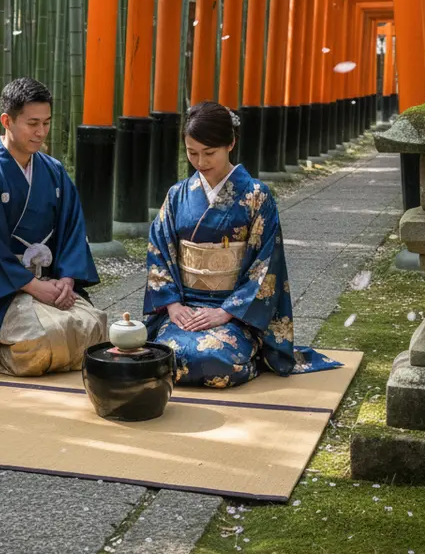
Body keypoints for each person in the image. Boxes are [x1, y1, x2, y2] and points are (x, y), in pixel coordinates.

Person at [143, 100, 340, 388]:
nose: (200, 162)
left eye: (209, 153)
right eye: (192, 152)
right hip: (185, 308)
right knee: (163, 355)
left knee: (212, 359)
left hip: (234, 313)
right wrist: (172, 306)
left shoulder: (256, 196)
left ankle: (254, 355)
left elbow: (266, 265)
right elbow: (158, 250)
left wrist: (225, 312)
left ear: (231, 144)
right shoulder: (177, 195)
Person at [0, 77, 106, 376]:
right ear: (7, 120)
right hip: (2, 293)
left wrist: (66, 279)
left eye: (46, 122)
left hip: (52, 283)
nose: (41, 132)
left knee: (96, 329)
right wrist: (32, 286)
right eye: (32, 123)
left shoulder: (53, 172)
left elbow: (71, 229)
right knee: (37, 342)